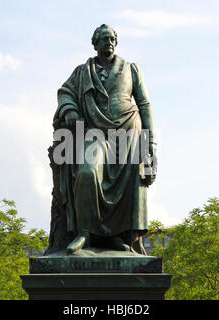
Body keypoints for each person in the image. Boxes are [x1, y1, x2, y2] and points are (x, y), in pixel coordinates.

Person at [53, 24, 156, 254]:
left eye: (112, 38)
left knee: (127, 186)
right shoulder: (82, 71)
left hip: (128, 134)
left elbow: (145, 105)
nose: (109, 42)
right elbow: (65, 93)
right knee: (87, 172)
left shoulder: (131, 69)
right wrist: (69, 110)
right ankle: (85, 233)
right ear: (95, 43)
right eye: (103, 39)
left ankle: (114, 238)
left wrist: (151, 145)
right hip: (95, 133)